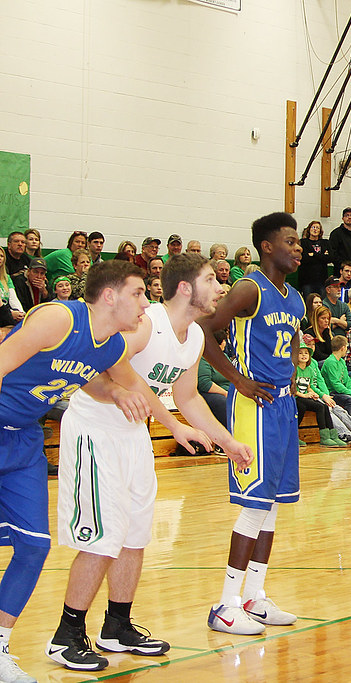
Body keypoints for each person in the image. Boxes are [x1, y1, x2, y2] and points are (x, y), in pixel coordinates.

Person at [47, 255, 252, 672]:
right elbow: (110, 370)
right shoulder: (145, 322)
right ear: (184, 288)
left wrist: (226, 439)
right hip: (95, 428)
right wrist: (172, 425)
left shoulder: (193, 335)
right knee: (100, 537)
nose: (219, 288)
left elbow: (189, 395)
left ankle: (116, 625)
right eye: (211, 280)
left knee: (135, 535)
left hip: (133, 434)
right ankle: (66, 635)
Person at [0, 259, 180, 682]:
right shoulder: (58, 319)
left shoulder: (113, 346)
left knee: (33, 547)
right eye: (138, 293)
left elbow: (92, 378)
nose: (146, 302)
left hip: (25, 438)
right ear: (109, 295)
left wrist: (117, 392)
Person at [198, 212, 306, 637]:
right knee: (253, 505)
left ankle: (254, 596)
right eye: (291, 241)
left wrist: (294, 372)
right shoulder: (248, 288)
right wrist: (238, 380)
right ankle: (224, 604)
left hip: (282, 406)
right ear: (267, 246)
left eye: (300, 243)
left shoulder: (294, 298)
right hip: (252, 407)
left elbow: (295, 336)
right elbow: (204, 332)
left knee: (274, 504)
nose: (299, 248)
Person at [293, 343, 347, 447]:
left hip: (305, 397)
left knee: (324, 406)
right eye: (300, 353)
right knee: (318, 407)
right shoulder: (294, 369)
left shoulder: (309, 369)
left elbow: (309, 387)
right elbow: (293, 388)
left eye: (306, 353)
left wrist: (313, 394)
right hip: (297, 397)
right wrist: (304, 395)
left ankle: (333, 435)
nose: (303, 355)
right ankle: (324, 437)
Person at [298, 220, 331, 296]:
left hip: (322, 281)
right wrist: (321, 256)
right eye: (313, 227)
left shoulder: (325, 243)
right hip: (307, 281)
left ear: (320, 231)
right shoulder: (303, 242)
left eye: (317, 228)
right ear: (309, 229)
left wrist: (313, 254)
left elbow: (330, 258)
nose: (315, 229)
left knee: (321, 303)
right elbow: (304, 259)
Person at [330, 207, 351, 283]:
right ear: (343, 218)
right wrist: (343, 266)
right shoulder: (336, 233)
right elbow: (332, 253)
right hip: (341, 272)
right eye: (347, 215)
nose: (349, 217)